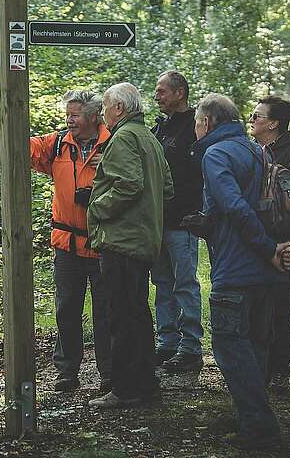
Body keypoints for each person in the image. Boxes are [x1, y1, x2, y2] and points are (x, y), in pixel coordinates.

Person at [0, 90, 112, 393]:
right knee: (66, 310)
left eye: (75, 115)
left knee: (106, 312)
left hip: (102, 243)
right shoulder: (59, 143)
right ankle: (67, 372)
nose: (69, 120)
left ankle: (110, 374)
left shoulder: (112, 142)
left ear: (93, 116)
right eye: (68, 114)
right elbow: (22, 147)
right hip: (67, 245)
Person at [191, 93, 290, 450]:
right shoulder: (257, 150)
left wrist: (268, 250)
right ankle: (249, 420)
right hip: (266, 271)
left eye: (197, 123)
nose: (195, 129)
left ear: (207, 123)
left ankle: (260, 427)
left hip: (237, 268)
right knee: (255, 345)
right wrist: (276, 251)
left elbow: (234, 207)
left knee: (230, 347)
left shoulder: (216, 154)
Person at [86, 82, 174, 409]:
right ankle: (146, 385)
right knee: (137, 315)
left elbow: (129, 185)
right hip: (143, 239)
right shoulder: (148, 137)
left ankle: (124, 390)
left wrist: (97, 207)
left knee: (121, 317)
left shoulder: (123, 137)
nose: (102, 114)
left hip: (122, 241)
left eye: (105, 108)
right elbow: (167, 187)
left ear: (119, 108)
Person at [249, 95, 290, 394]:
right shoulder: (250, 149)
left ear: (273, 123)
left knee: (279, 305)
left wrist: (280, 212)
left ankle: (279, 370)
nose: (252, 120)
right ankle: (257, 368)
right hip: (254, 237)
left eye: (257, 116)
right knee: (254, 304)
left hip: (284, 237)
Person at [151, 71, 204, 372]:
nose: (157, 96)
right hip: (158, 221)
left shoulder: (195, 126)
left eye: (162, 91)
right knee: (162, 283)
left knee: (184, 283)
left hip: (183, 222)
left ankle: (191, 347)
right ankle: (167, 342)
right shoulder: (161, 127)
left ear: (179, 93)